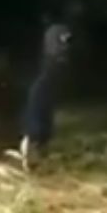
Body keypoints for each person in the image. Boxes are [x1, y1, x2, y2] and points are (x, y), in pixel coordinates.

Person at [18, 14, 72, 165]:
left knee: (44, 97)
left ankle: (38, 141)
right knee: (40, 95)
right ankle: (34, 139)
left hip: (47, 61)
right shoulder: (53, 30)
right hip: (47, 61)